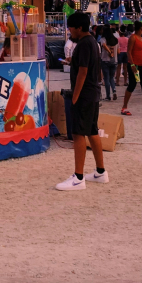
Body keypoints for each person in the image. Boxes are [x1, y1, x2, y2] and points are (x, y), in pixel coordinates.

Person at [55, 12, 107, 191]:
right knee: (92, 131)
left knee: (78, 133)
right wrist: (72, 61)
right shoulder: (92, 42)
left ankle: (78, 177)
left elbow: (83, 72)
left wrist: (75, 96)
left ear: (79, 27)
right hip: (93, 93)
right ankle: (101, 171)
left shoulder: (84, 44)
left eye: (70, 27)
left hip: (84, 94)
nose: (69, 30)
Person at [98, 26, 117, 101]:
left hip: (105, 60)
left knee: (106, 78)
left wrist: (109, 51)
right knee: (111, 77)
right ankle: (114, 90)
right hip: (114, 61)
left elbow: (103, 45)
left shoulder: (103, 39)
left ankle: (108, 95)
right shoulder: (116, 40)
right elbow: (118, 51)